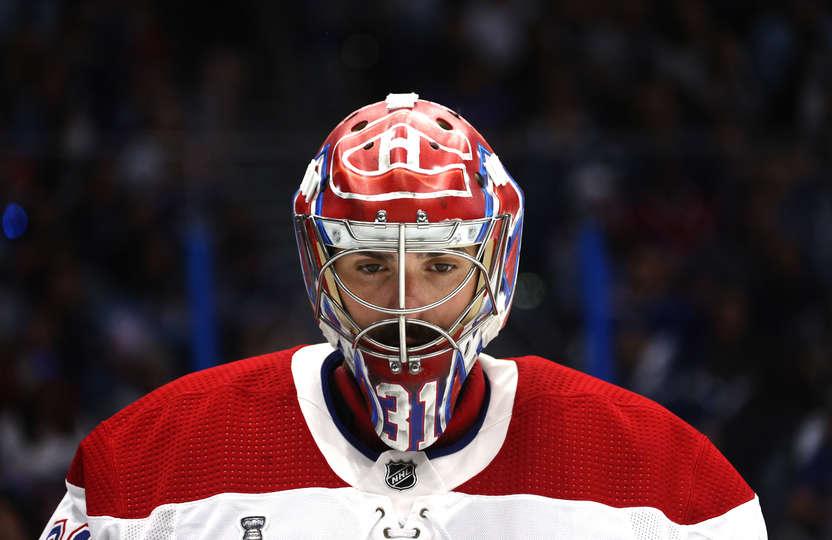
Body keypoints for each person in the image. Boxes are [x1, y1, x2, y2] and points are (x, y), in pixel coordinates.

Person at [40, 93, 767, 539]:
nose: (403, 305)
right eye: (369, 266)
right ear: (320, 271)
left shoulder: (673, 490)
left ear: (497, 269)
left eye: (441, 266)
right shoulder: (143, 473)